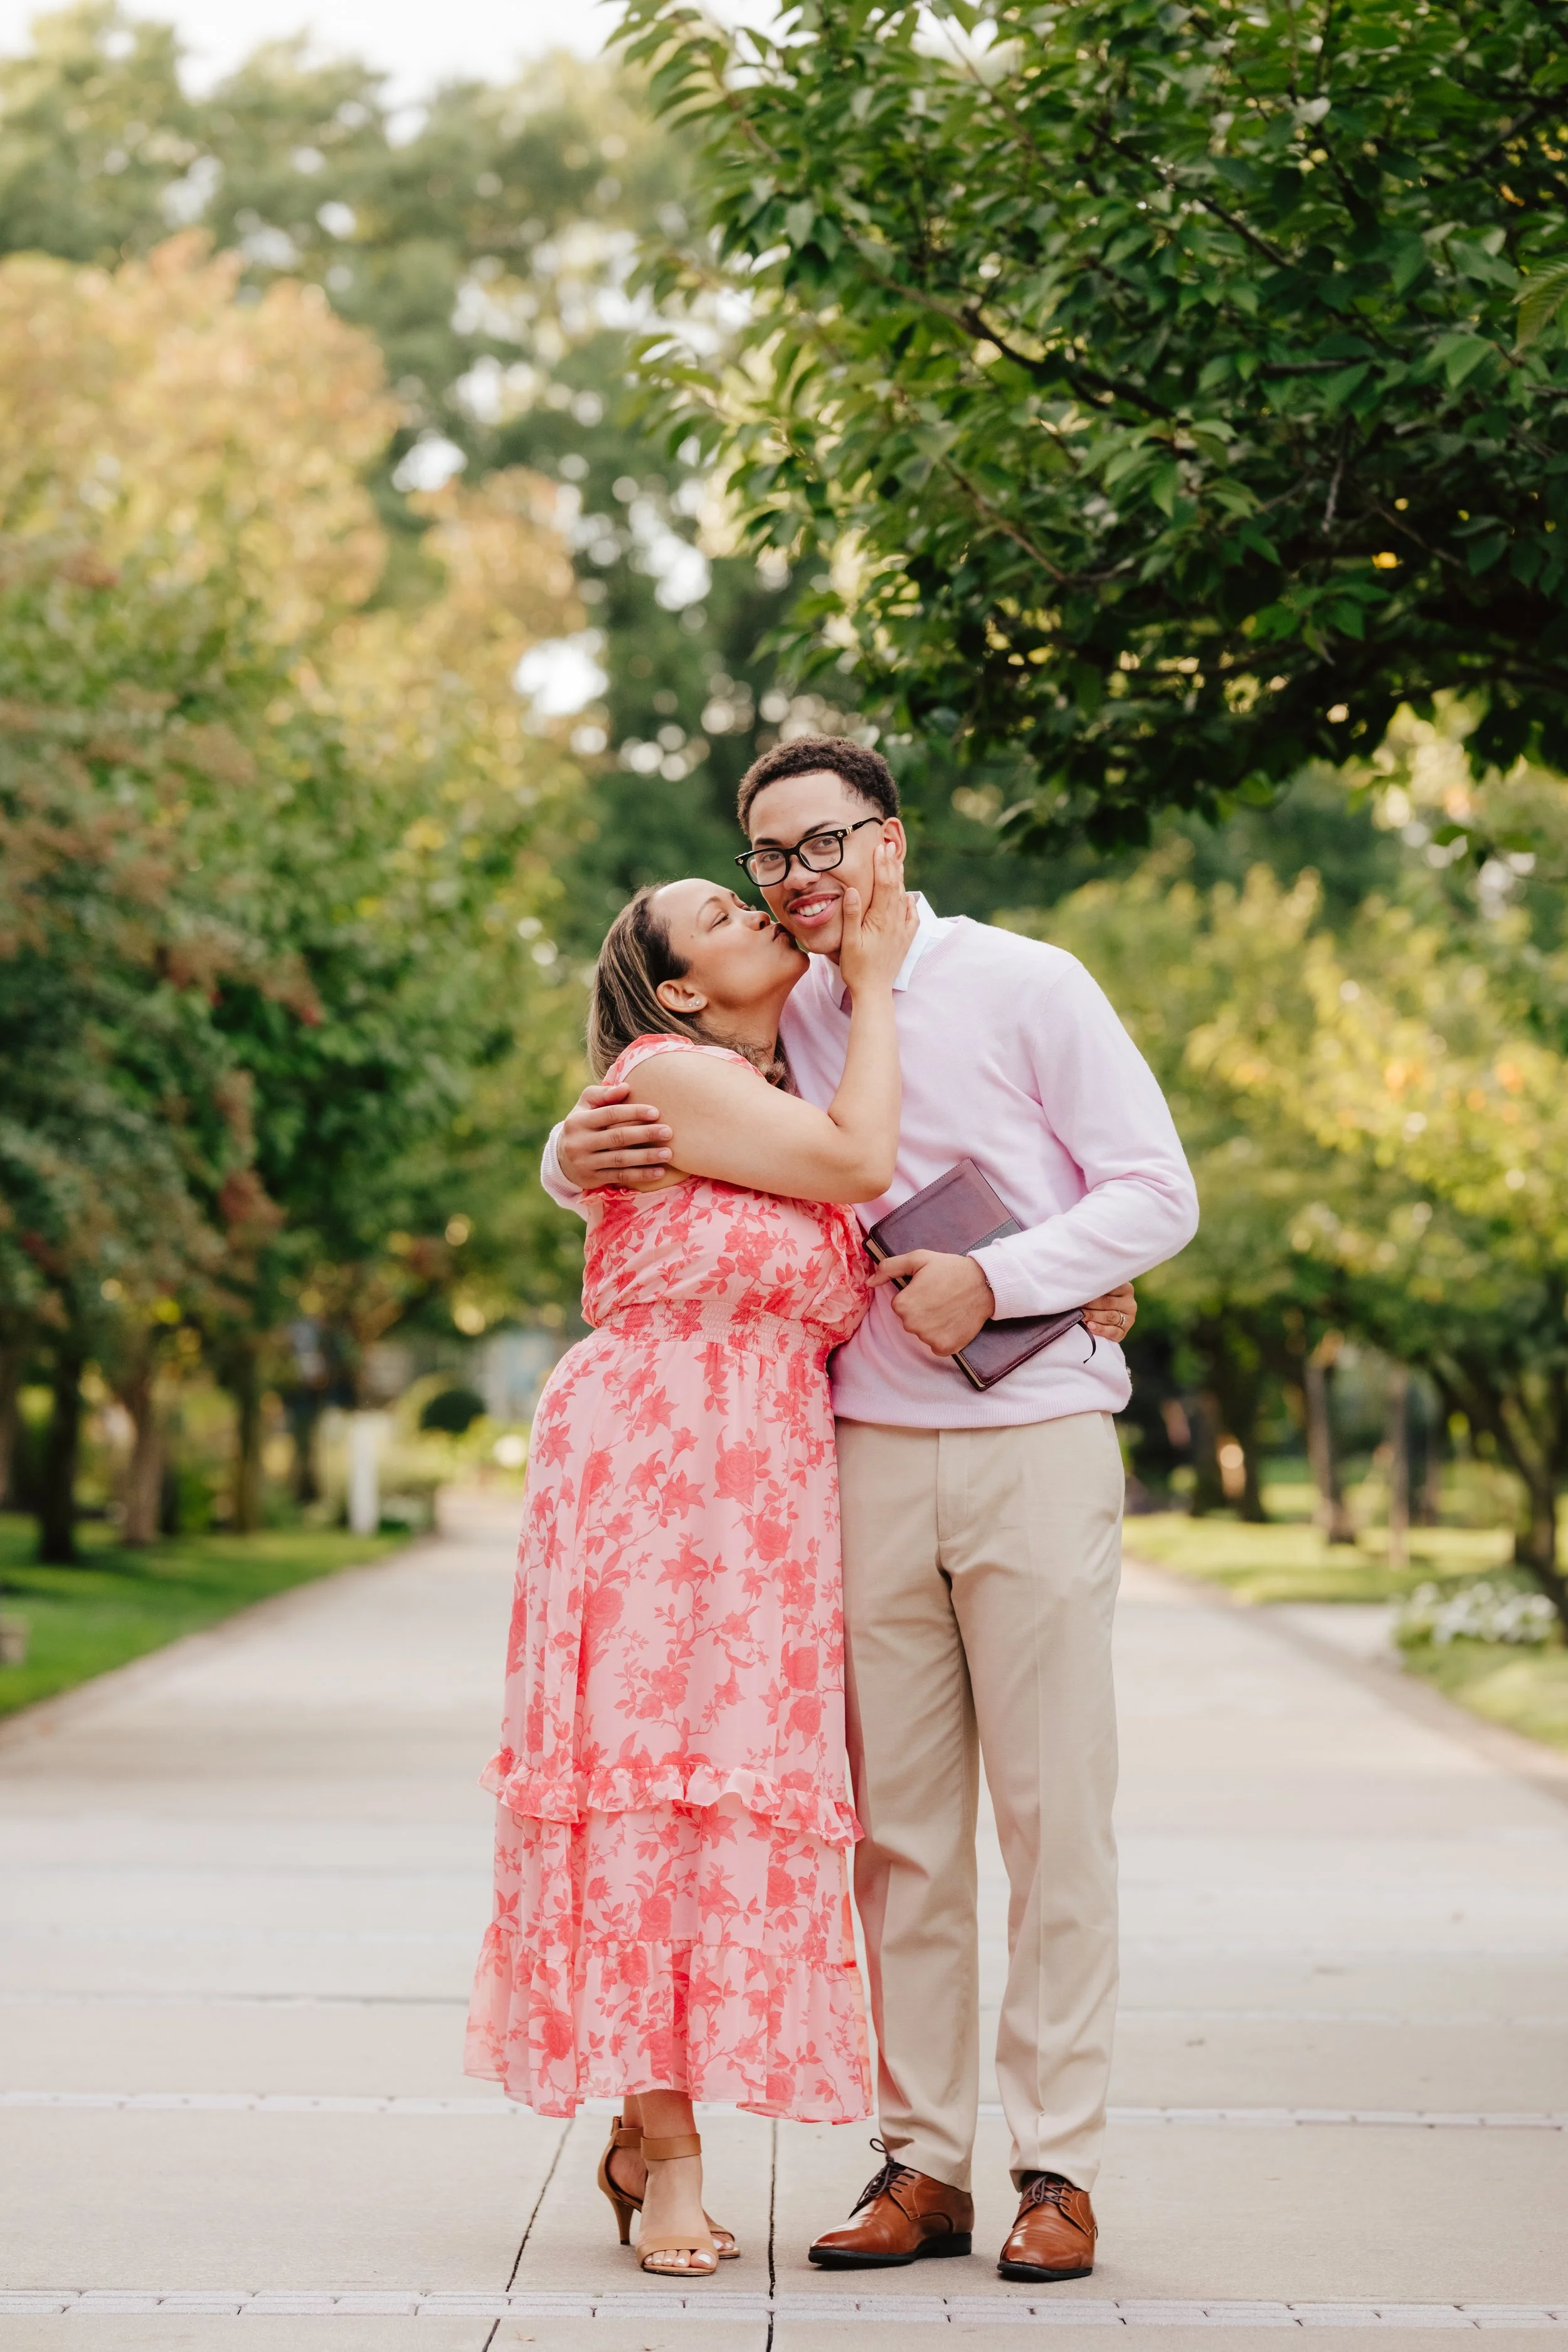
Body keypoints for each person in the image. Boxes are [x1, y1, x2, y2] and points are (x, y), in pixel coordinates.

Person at [547, 737, 1199, 2284]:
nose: (794, 880)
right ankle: (924, 2165)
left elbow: (1152, 1192)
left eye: (822, 843)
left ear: (889, 839)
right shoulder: (785, 1013)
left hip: (1031, 1440)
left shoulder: (1028, 982)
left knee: (1053, 1821)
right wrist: (564, 1156)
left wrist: (1008, 1277)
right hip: (847, 1456)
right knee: (896, 1839)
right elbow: (657, 1109)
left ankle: (1056, 2167)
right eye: (768, 858)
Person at [466, 844, 921, 2277]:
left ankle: (642, 2120)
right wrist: (874, 980)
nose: (752, 908)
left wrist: (1062, 1281)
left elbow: (872, 1218)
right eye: (721, 913)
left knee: (719, 1813)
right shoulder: (666, 1078)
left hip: (767, 1493)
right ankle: (670, 2160)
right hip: (648, 1475)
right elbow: (861, 1163)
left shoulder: (782, 1093)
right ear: (674, 988)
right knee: (643, 1802)